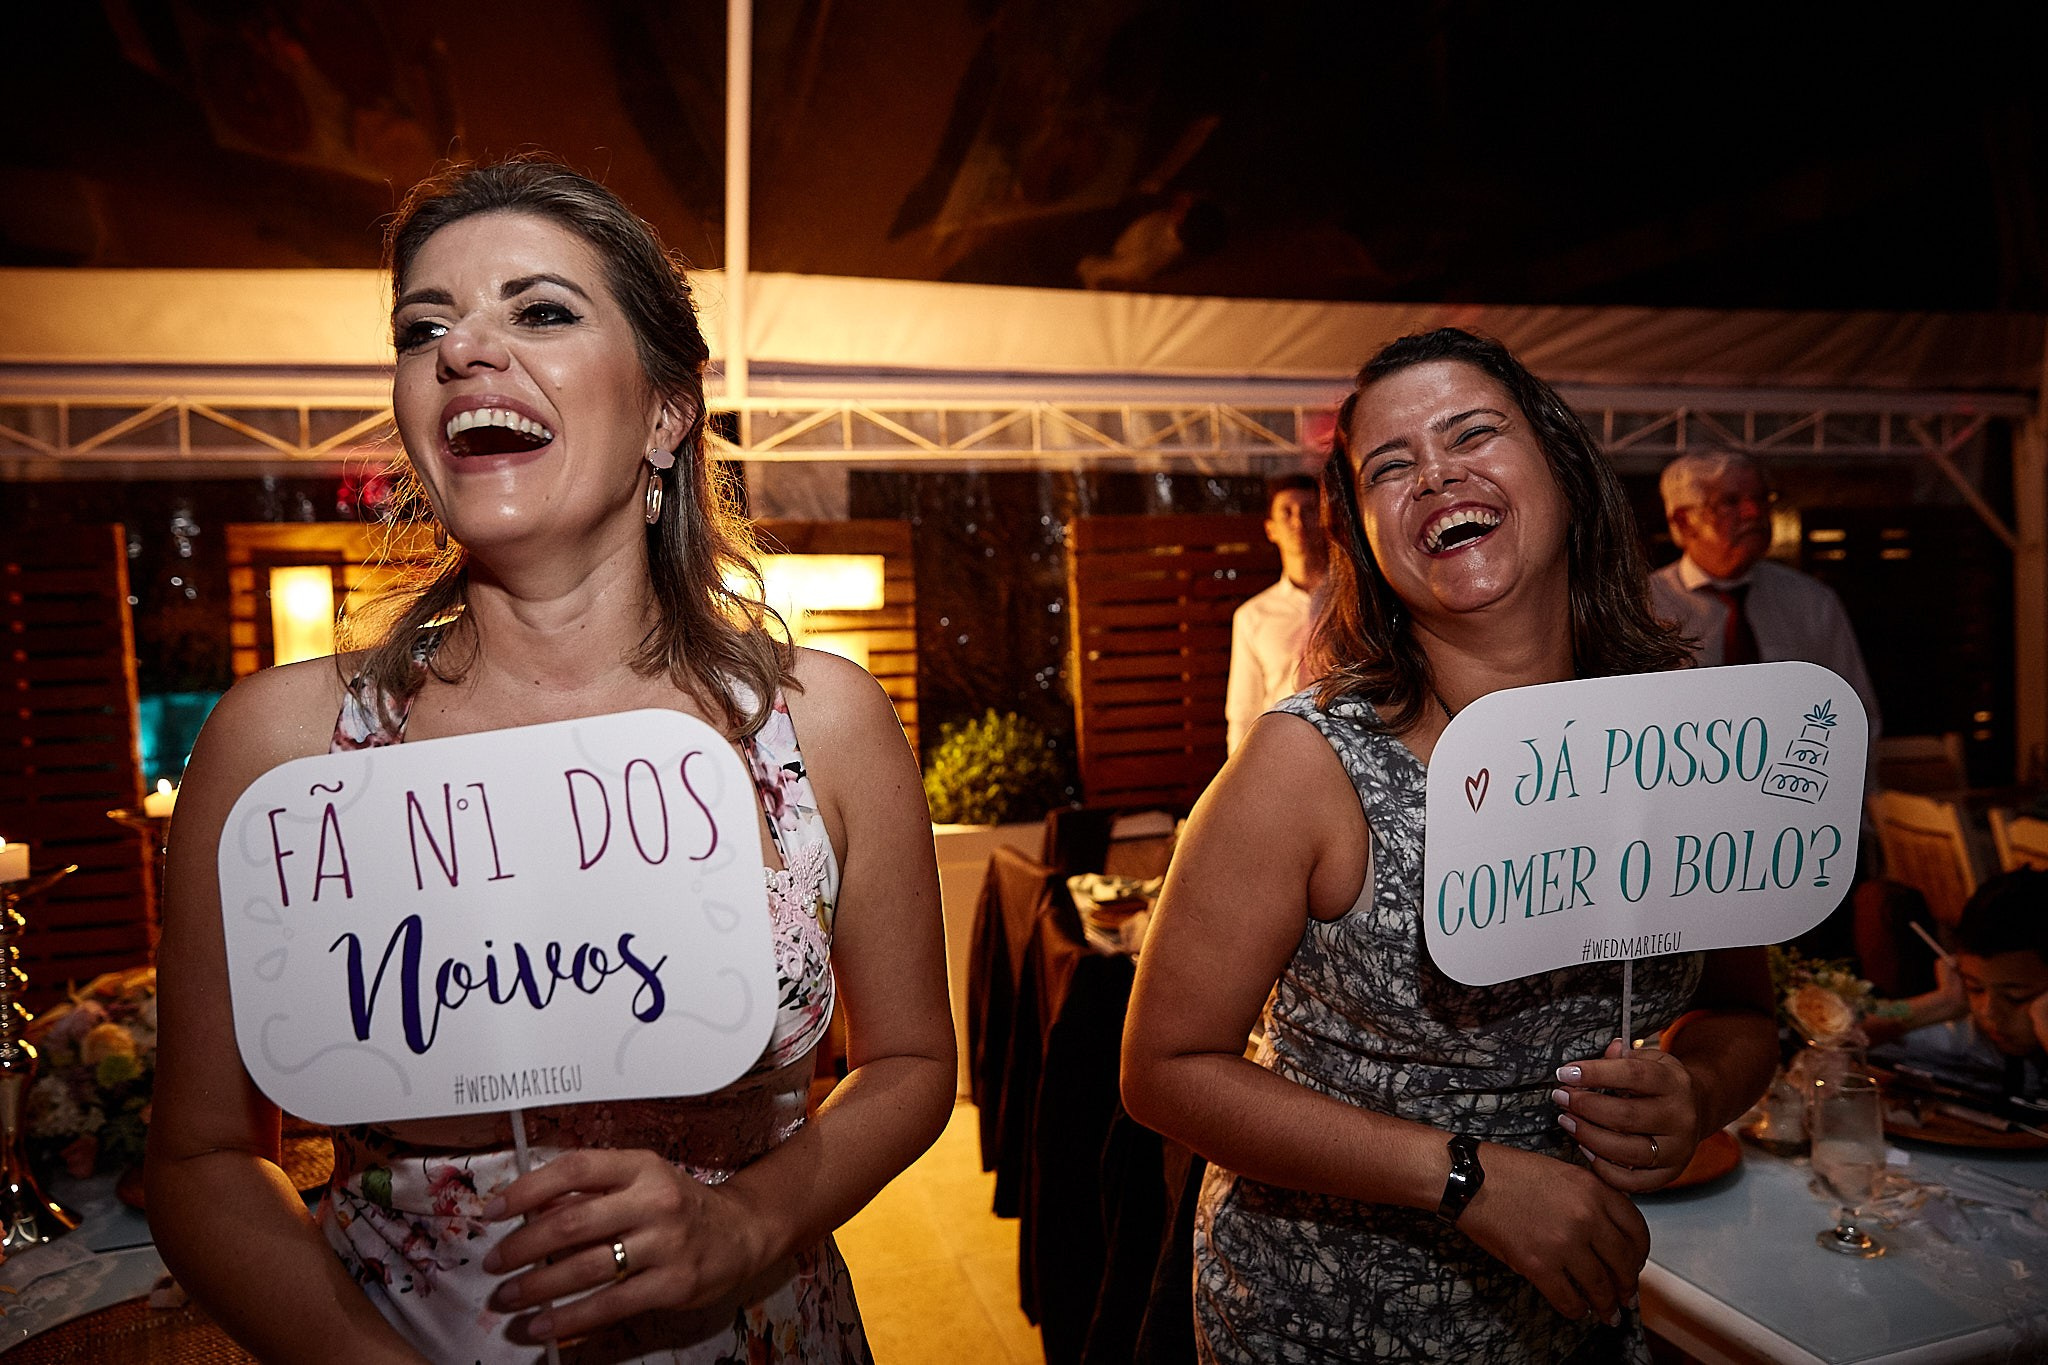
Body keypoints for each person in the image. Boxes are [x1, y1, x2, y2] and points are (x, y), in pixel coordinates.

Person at [145, 157, 955, 1364]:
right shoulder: (278, 752)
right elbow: (203, 1157)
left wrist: (751, 1221)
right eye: (426, 327)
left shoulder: (817, 725)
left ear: (666, 412)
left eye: (540, 310)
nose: (463, 351)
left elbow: (912, 1064)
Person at [1121, 328, 1779, 1363]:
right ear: (1367, 540)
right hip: (1325, 1320)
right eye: (1389, 467)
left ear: (1561, 471)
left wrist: (1694, 1090)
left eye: (1471, 433)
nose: (1433, 475)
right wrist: (1464, 1177)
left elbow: (1744, 1012)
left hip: (1581, 1307)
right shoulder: (1308, 764)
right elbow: (1164, 1069)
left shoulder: (1682, 747)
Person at [1647, 449, 1881, 741]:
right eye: (1730, 502)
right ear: (1683, 520)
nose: (1754, 513)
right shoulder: (1643, 607)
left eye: (1761, 498)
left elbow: (1855, 712)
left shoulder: (1811, 602)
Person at [1871, 868, 2048, 1099]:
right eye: (1975, 988)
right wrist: (1944, 1002)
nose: (1988, 1012)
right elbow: (1835, 1036)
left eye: (2015, 998)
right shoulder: (1968, 1028)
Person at [1225, 474, 1329, 754]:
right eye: (1287, 513)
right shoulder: (1252, 616)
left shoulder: (1354, 601)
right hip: (1281, 752)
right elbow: (1243, 712)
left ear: (1324, 520)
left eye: (1309, 511)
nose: (1298, 522)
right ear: (1271, 529)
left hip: (1348, 749)